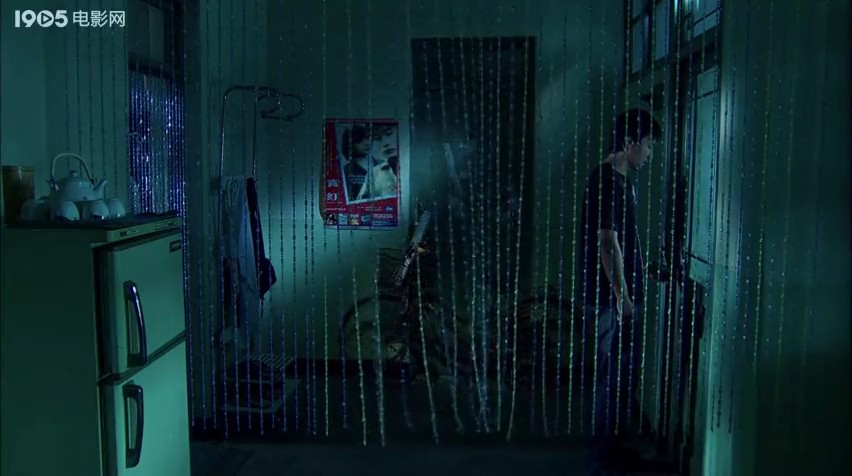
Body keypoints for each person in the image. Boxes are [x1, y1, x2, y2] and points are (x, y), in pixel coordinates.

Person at [578, 108, 661, 473]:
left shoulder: (620, 183)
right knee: (612, 376)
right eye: (648, 145)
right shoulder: (606, 182)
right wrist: (621, 296)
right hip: (610, 300)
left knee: (619, 375)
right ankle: (604, 455)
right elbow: (607, 243)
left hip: (615, 298)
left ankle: (610, 449)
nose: (649, 154)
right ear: (629, 142)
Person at [357, 124, 399, 200]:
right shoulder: (373, 174)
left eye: (389, 133)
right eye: (378, 138)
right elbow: (360, 203)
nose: (385, 143)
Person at [340, 124, 372, 201]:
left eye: (367, 138)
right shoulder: (345, 172)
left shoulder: (383, 164)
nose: (366, 143)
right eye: (359, 140)